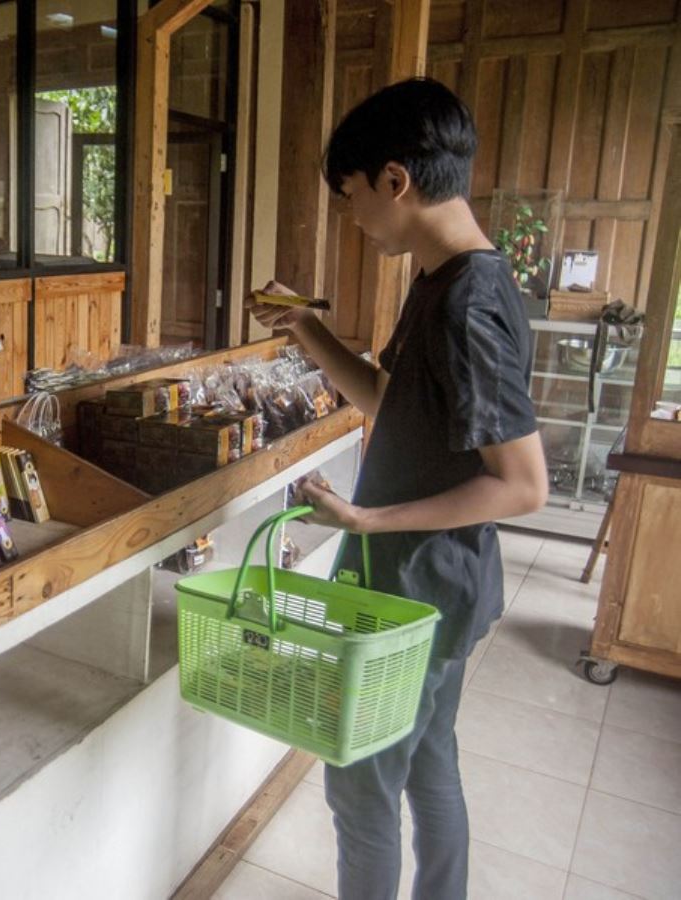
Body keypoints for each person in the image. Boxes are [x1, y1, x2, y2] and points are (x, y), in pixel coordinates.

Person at [249, 78, 549, 900]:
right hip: (433, 586)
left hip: (420, 592)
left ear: (395, 180)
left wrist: (365, 517)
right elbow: (392, 402)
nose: (352, 215)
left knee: (361, 784)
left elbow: (523, 486)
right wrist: (307, 331)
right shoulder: (443, 280)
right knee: (426, 763)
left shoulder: (467, 304)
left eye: (350, 197)